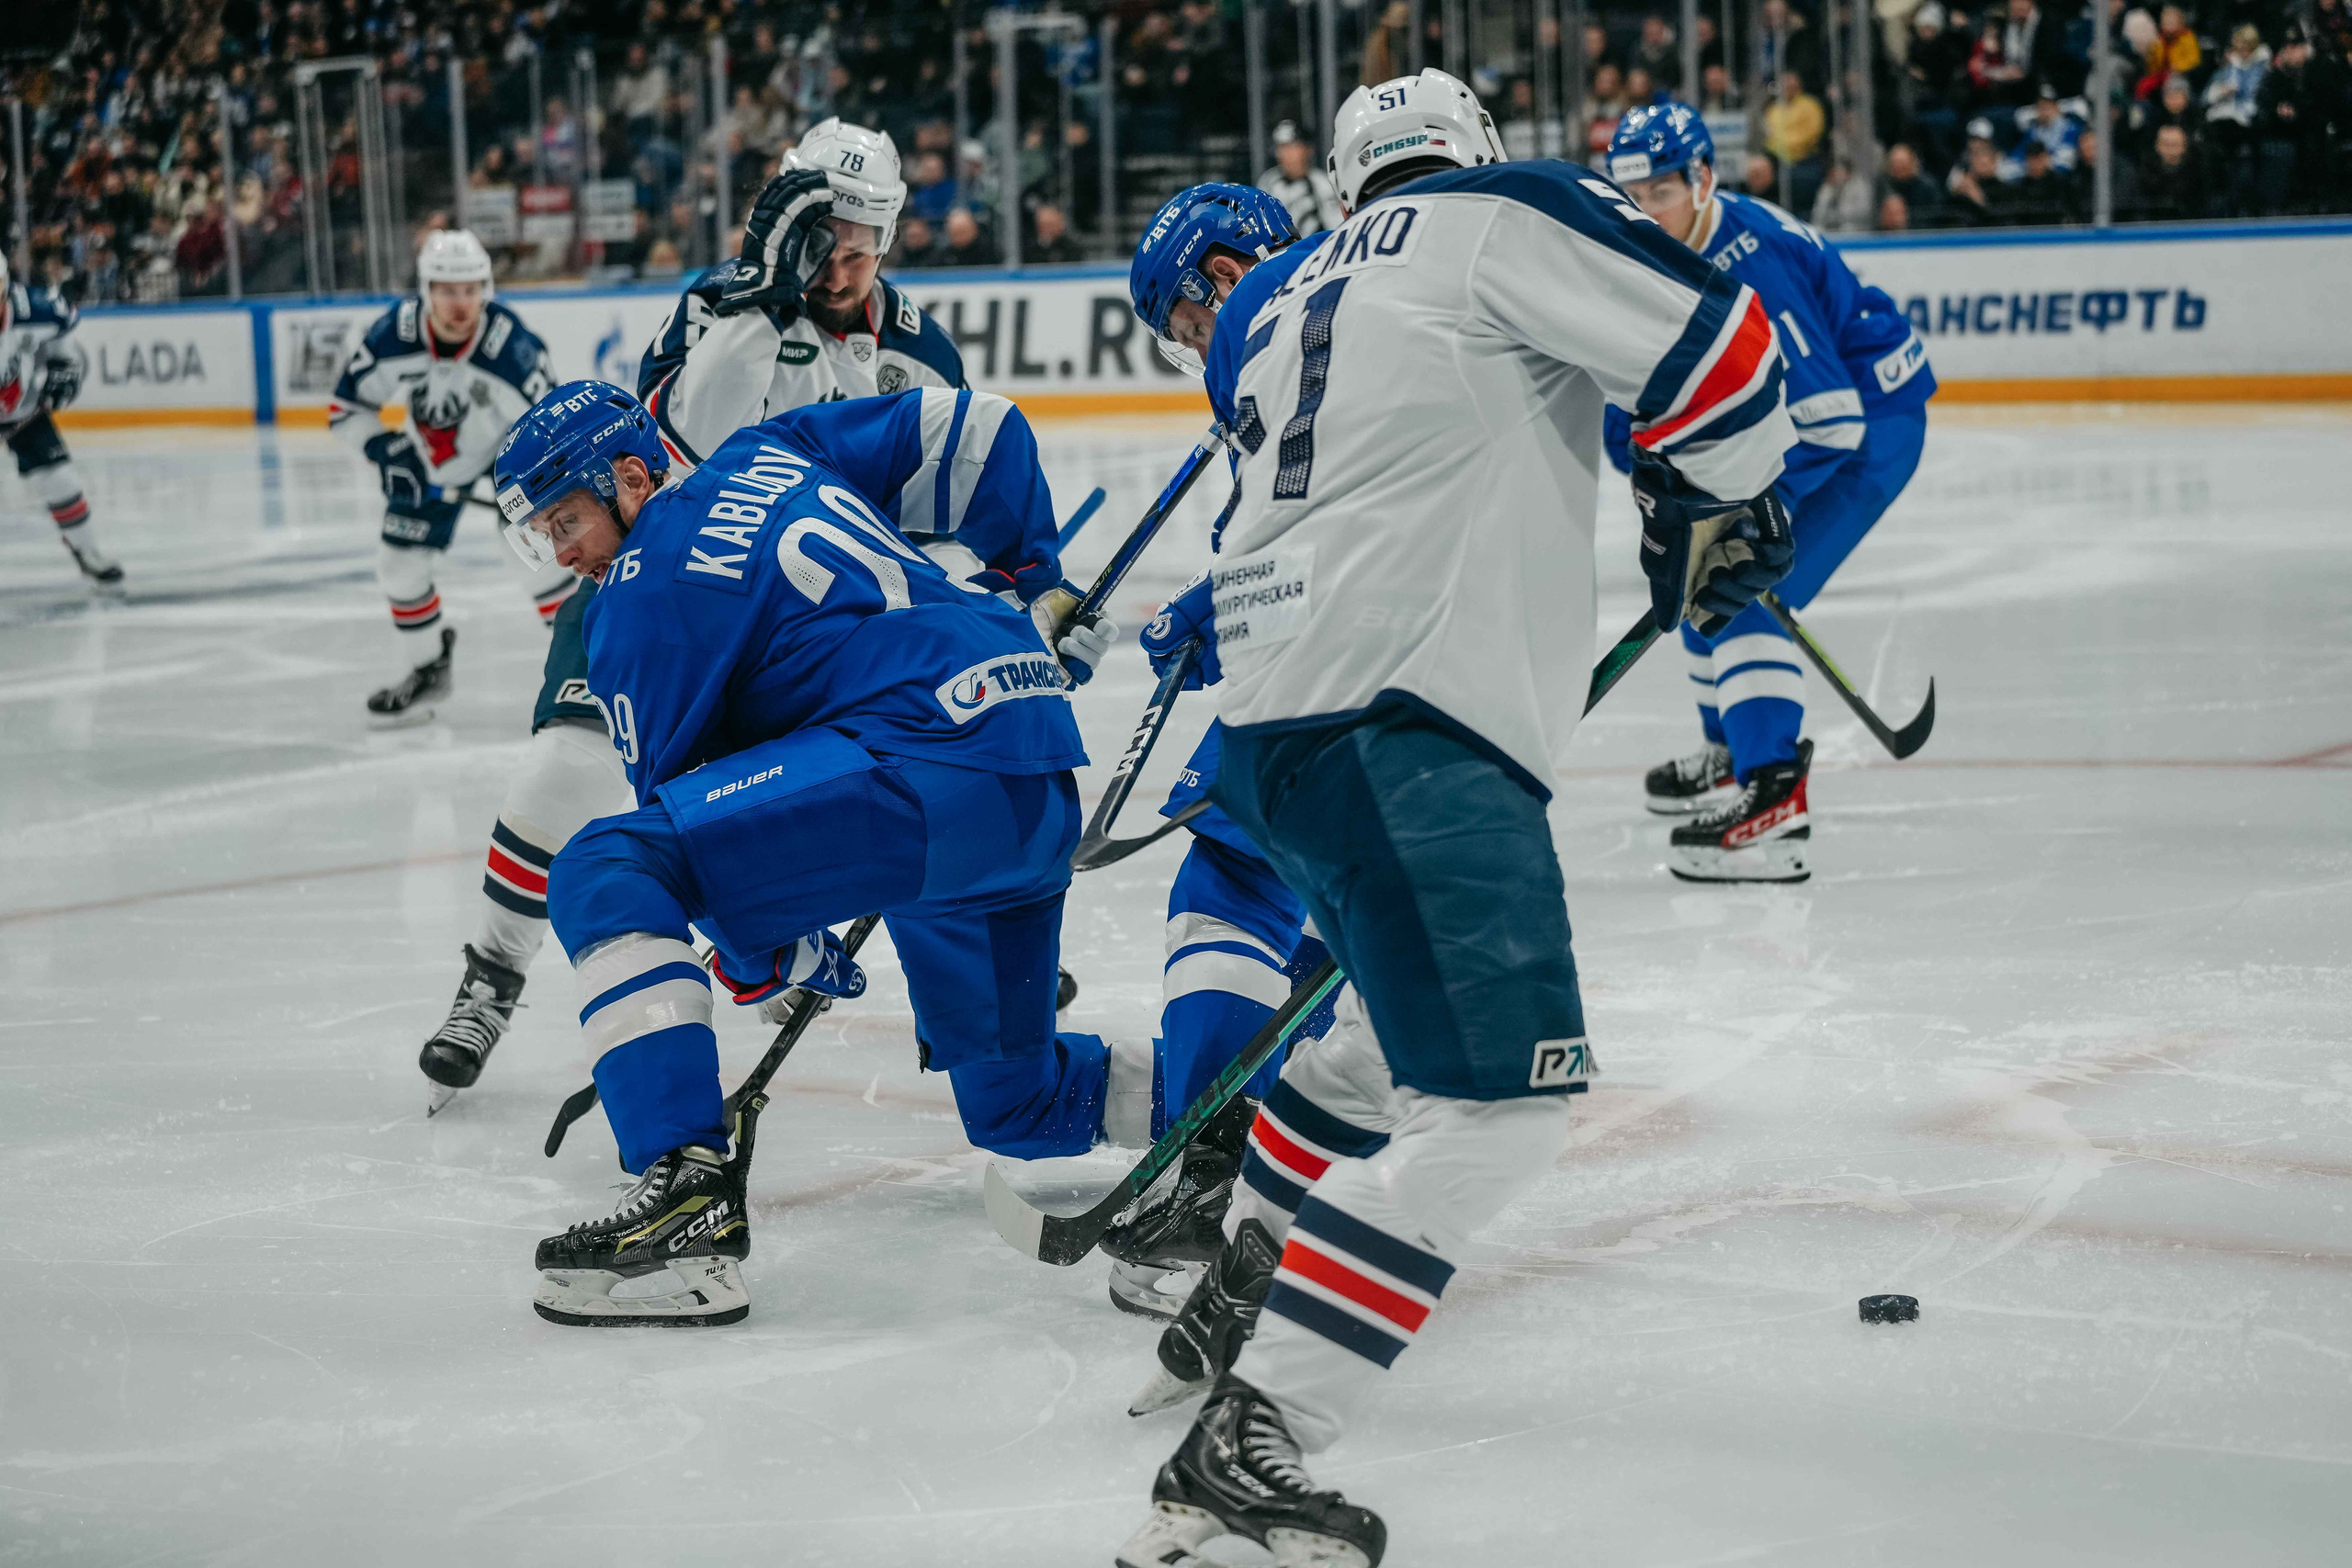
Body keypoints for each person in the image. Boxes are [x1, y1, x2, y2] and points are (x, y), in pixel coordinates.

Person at [1113, 69, 1797, 1564]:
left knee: (1374, 1036)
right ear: (1470, 152)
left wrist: (1674, 491)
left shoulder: (1282, 293)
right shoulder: (1506, 210)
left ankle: (1249, 1269)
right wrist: (1722, 499)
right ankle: (1254, 1436)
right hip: (1413, 720)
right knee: (1499, 1103)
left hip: (1275, 740)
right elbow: (1732, 370)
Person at [414, 133, 1103, 1113]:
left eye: (860, 248)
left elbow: (933, 504)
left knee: (811, 778)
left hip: (806, 625)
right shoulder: (716, 307)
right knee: (561, 775)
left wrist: (1020, 596)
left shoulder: (916, 346)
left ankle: (903, 918)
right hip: (662, 594)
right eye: (822, 245)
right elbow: (664, 462)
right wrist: (759, 297)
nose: (840, 270)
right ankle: (492, 975)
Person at [498, 379, 1127, 1328]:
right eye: (543, 534)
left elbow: (688, 841)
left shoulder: (636, 599)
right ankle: (1246, 1110)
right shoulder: (773, 448)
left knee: (606, 866)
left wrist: (769, 959)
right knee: (1019, 1103)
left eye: (567, 520)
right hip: (1029, 771)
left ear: (631, 477)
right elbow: (980, 428)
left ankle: (684, 1196)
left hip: (920, 777)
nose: (563, 553)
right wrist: (1035, 579)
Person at [1095, 181, 1343, 1324]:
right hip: (1460, 652)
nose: (1197, 346)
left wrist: (1232, 604)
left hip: (1341, 646)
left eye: (1190, 322)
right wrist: (1220, 599)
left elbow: (1309, 517)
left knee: (1233, 881)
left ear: (1227, 277)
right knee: (1339, 907)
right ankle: (1298, 1151)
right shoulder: (1379, 279)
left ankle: (1219, 1184)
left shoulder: (1273, 314)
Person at [1604, 104, 1936, 880]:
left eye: (1661, 193)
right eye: (1631, 196)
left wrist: (1751, 508)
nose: (1645, 212)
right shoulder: (1656, 254)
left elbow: (1833, 421)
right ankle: (1732, 748)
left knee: (1743, 585)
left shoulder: (1750, 258)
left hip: (1873, 426)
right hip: (1810, 425)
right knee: (1704, 573)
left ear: (1703, 179)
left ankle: (1774, 801)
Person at [330, 229, 559, 724]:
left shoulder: (511, 350)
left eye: (471, 289)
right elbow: (345, 408)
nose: (461, 303)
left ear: (486, 289)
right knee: (398, 565)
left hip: (511, 454)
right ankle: (429, 669)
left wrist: (537, 490)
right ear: (426, 290)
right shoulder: (393, 336)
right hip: (430, 459)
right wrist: (388, 450)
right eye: (448, 290)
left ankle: (586, 669)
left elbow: (552, 425)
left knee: (538, 557)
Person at [0, 253, 122, 591]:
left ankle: (87, 550)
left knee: (61, 480)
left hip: (23, 411)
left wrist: (64, 374)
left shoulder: (38, 309)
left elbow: (66, 354)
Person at [1254, 120, 1343, 235]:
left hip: (1313, 244)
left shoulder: (1323, 183)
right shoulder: (1267, 181)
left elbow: (1336, 226)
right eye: (1282, 147)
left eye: (1293, 147)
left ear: (1307, 150)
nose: (1287, 154)